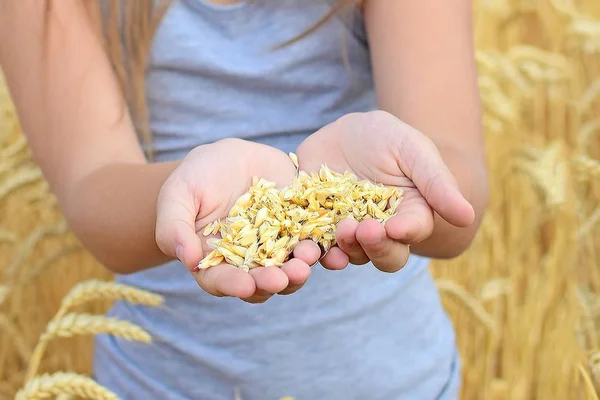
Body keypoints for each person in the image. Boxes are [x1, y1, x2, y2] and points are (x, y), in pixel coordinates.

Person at [0, 0, 489, 399]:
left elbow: (459, 192)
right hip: (164, 382)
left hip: (395, 378)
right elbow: (92, 186)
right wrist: (187, 192)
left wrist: (400, 189)